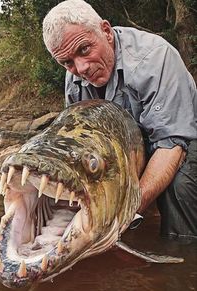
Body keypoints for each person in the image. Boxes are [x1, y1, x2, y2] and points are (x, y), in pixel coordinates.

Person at [42, 0, 197, 241]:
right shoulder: (74, 77)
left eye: (84, 50)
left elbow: (172, 144)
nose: (81, 68)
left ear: (106, 32)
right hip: (132, 145)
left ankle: (184, 258)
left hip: (181, 135)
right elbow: (81, 142)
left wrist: (125, 212)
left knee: (179, 188)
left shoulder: (155, 58)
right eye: (67, 62)